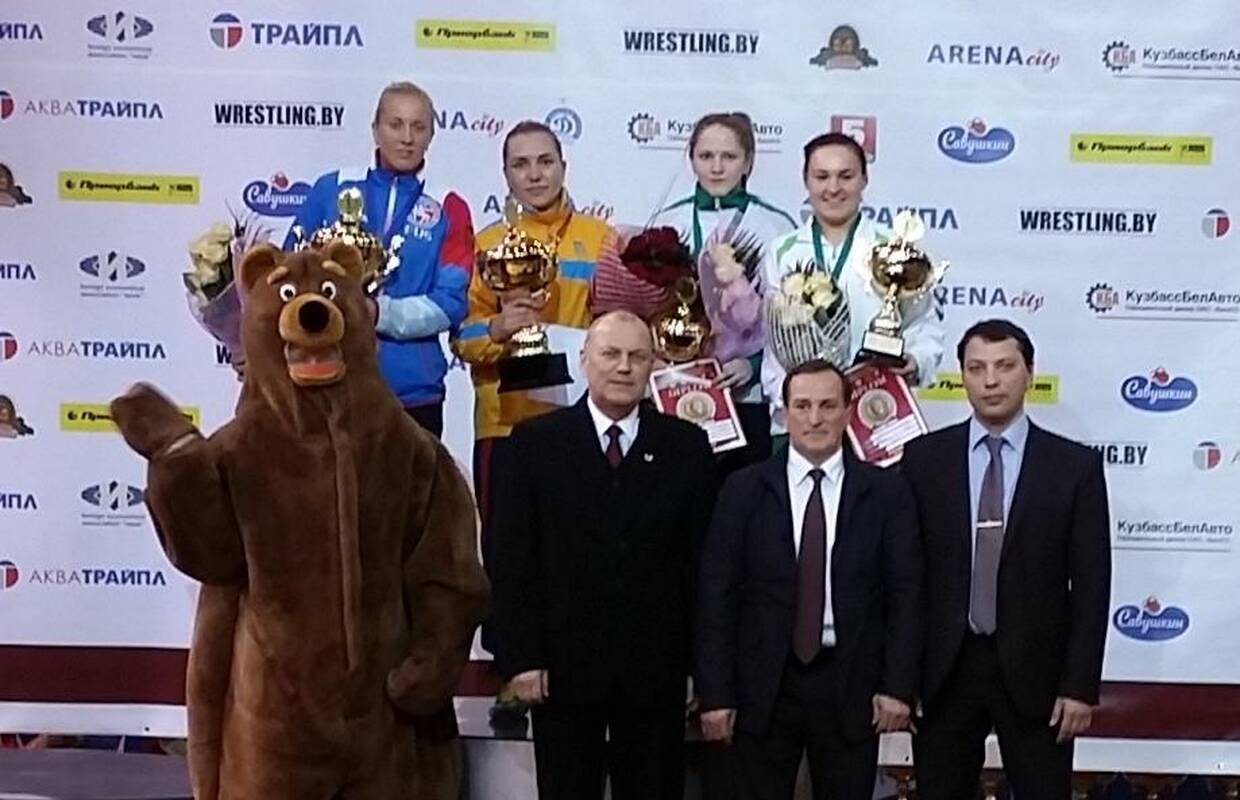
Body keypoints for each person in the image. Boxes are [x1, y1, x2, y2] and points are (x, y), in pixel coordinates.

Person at [489, 311, 717, 800]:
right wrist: (522, 658)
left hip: (656, 671)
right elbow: (511, 560)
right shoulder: (533, 445)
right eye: (611, 354)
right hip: (562, 672)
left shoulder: (687, 446)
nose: (624, 367)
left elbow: (701, 567)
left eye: (637, 356)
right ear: (584, 359)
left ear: (653, 365)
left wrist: (701, 668)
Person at [901, 319, 1111, 800]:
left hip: (1039, 677)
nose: (990, 381)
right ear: (962, 376)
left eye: (1004, 367)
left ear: (1029, 373)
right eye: (976, 369)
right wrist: (901, 678)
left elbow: (1092, 586)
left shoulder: (1074, 468)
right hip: (944, 672)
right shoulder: (923, 460)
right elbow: (906, 579)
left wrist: (1079, 686)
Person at [696, 358, 923, 800]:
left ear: (847, 411)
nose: (814, 418)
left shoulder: (886, 493)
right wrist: (716, 693)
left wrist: (897, 687)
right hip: (764, 685)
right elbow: (716, 596)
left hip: (851, 684)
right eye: (802, 406)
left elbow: (907, 594)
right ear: (784, 413)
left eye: (827, 405)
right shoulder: (743, 490)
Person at [451, 119, 611, 585]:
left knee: (580, 555)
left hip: (579, 421)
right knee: (507, 559)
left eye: (545, 161)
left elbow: (619, 324)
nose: (535, 174)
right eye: (521, 164)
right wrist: (497, 328)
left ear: (563, 166)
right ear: (505, 174)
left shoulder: (601, 239)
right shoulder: (486, 245)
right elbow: (460, 338)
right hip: (504, 424)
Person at [595, 112, 797, 474]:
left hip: (745, 396)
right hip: (673, 393)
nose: (717, 168)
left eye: (729, 157)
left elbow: (789, 321)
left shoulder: (776, 227)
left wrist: (751, 366)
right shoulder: (665, 223)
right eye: (706, 156)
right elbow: (638, 312)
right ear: (691, 159)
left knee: (740, 499)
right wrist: (654, 358)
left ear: (748, 161)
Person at [285, 81, 473, 438]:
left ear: (431, 136)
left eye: (418, 127)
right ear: (375, 130)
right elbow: (290, 277)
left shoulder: (449, 207)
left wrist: (378, 313)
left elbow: (450, 303)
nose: (407, 138)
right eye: (395, 124)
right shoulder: (330, 189)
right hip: (328, 382)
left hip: (413, 394)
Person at [760, 132, 944, 442]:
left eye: (845, 176)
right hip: (804, 420)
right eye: (822, 177)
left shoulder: (894, 249)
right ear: (806, 181)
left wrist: (915, 361)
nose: (833, 188)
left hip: (876, 416)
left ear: (864, 179)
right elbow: (773, 341)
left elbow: (924, 325)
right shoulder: (782, 250)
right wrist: (790, 399)